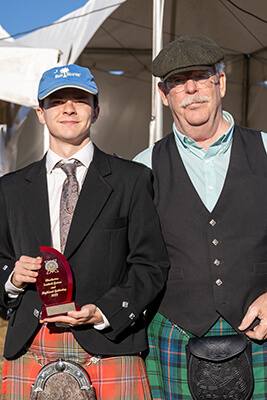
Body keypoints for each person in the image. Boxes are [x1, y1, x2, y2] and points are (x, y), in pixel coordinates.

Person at [0, 64, 169, 399]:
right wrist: (12, 278)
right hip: (32, 341)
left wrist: (105, 311)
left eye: (80, 99)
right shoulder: (10, 188)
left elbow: (151, 265)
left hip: (109, 340)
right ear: (40, 113)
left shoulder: (131, 180)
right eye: (56, 101)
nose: (68, 108)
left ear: (96, 110)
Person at [134, 35, 267, 399]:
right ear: (164, 95)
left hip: (260, 332)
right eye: (178, 82)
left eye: (201, 77)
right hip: (174, 333)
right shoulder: (142, 168)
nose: (191, 89)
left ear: (220, 83)